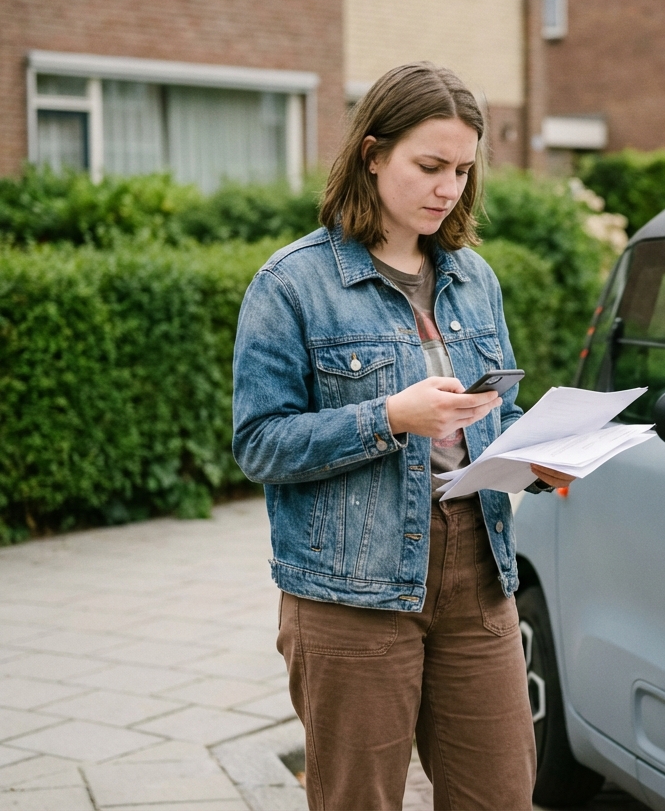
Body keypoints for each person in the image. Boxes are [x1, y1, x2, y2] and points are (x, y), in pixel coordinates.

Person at [232, 62, 573, 810]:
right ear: (372, 154)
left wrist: (541, 460)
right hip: (351, 588)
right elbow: (259, 442)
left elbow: (492, 418)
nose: (447, 186)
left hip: (478, 576)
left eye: (461, 169)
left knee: (502, 795)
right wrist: (390, 418)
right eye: (429, 165)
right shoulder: (292, 284)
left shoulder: (474, 277)